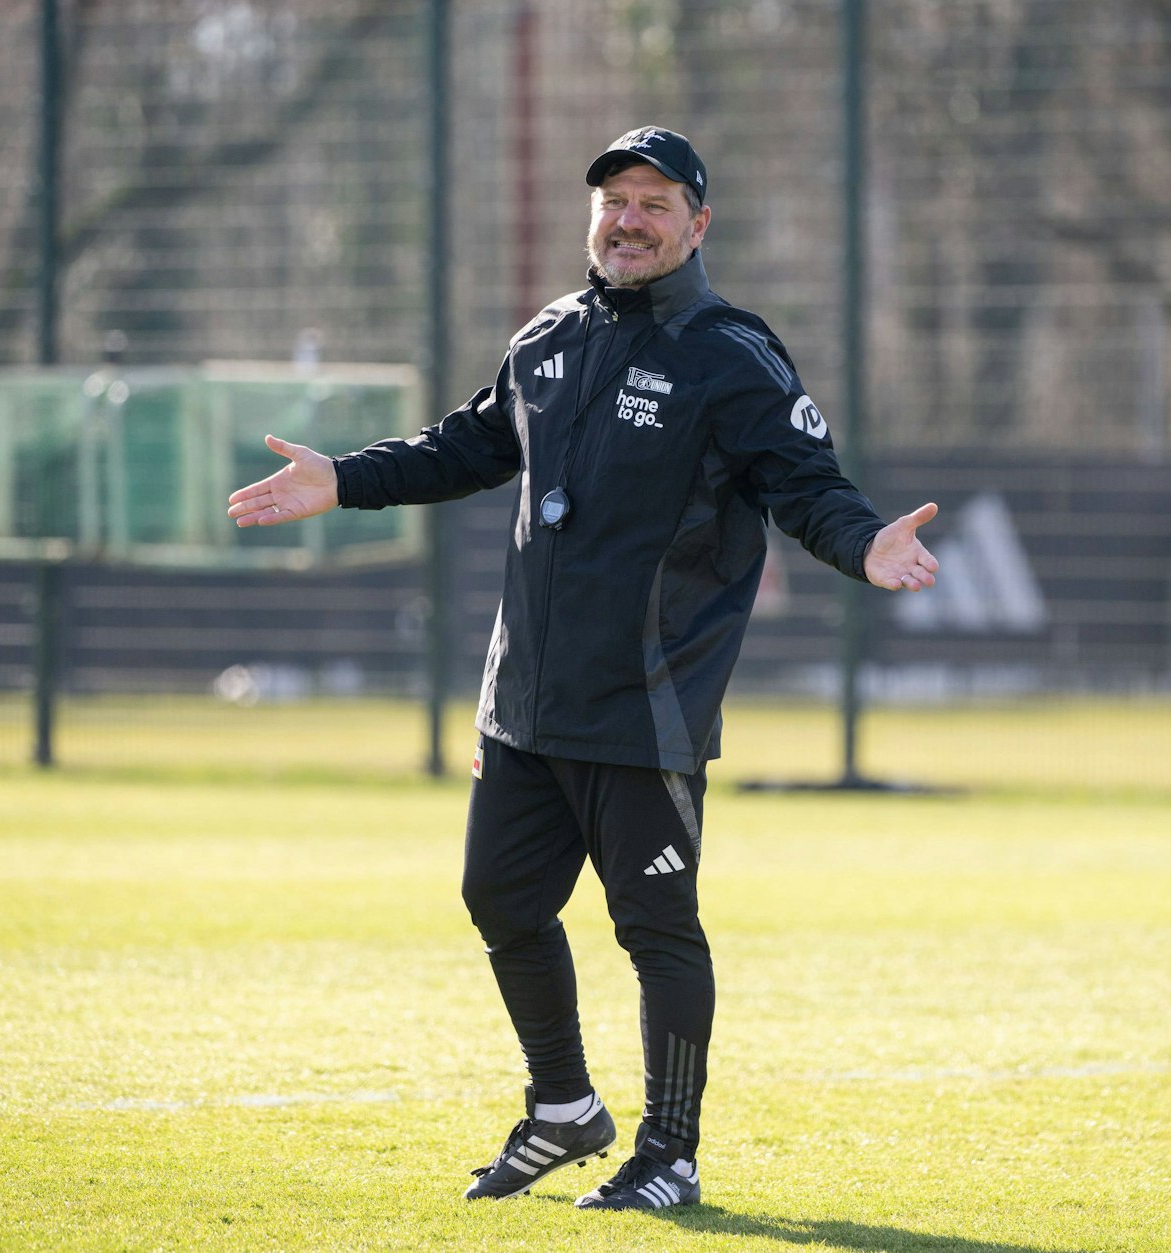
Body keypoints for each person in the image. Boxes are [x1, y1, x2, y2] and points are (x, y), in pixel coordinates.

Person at [226, 126, 938, 1211]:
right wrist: (346, 479)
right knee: (498, 896)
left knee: (655, 930)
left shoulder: (728, 351)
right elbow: (465, 446)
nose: (629, 217)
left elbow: (805, 482)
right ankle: (563, 1104)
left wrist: (863, 541)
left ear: (696, 225)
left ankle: (671, 1150)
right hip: (524, 704)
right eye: (613, 198)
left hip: (643, 708)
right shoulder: (547, 338)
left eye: (655, 201)